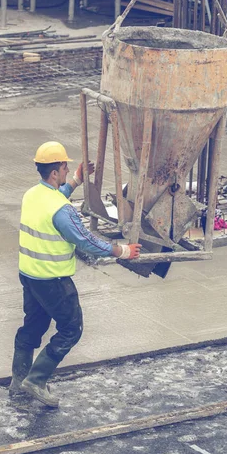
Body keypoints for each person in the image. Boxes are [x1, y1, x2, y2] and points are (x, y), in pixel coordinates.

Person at [10, 141, 141, 408]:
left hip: (30, 276)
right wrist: (121, 250)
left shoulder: (32, 195)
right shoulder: (61, 210)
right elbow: (85, 242)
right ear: (55, 172)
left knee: (32, 328)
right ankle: (36, 380)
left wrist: (77, 181)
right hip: (53, 280)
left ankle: (19, 380)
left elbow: (55, 200)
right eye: (64, 168)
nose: (67, 170)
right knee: (71, 328)